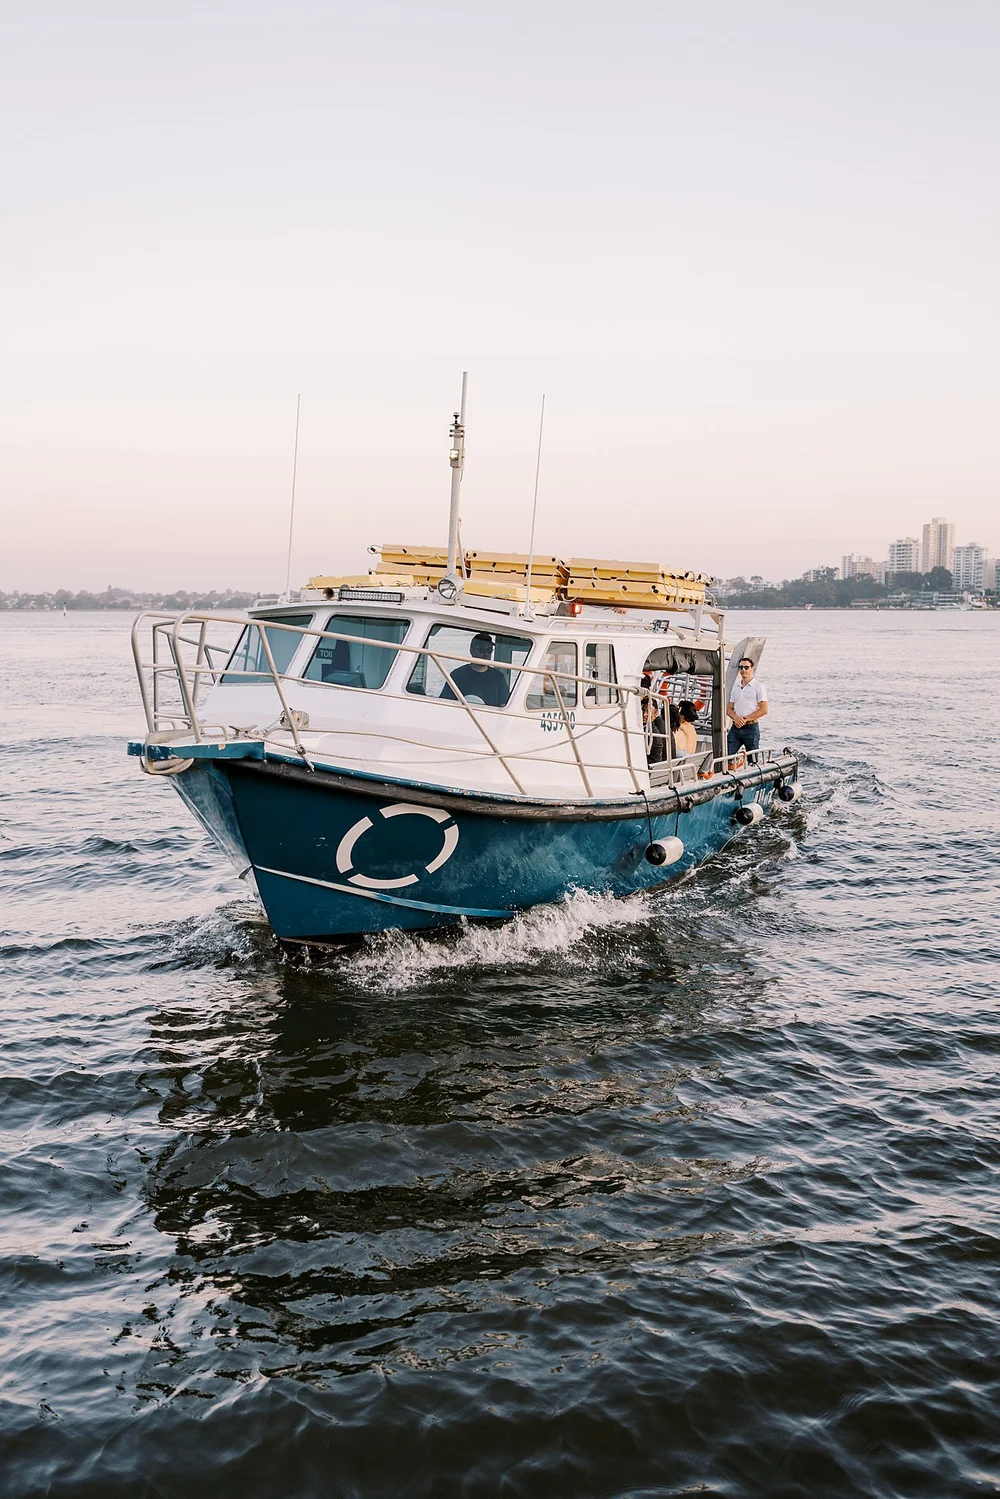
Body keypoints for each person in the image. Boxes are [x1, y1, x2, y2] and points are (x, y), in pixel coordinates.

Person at [441, 632, 511, 707]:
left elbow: (503, 705)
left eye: (489, 650)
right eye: (481, 649)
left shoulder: (498, 677)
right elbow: (445, 704)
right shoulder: (457, 675)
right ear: (472, 651)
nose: (486, 654)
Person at [727, 655, 768, 759]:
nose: (743, 670)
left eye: (746, 667)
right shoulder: (736, 688)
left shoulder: (758, 687)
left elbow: (764, 710)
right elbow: (729, 709)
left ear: (751, 668)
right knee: (725, 755)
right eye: (741, 667)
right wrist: (736, 718)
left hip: (751, 728)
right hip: (735, 728)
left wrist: (745, 719)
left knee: (753, 760)